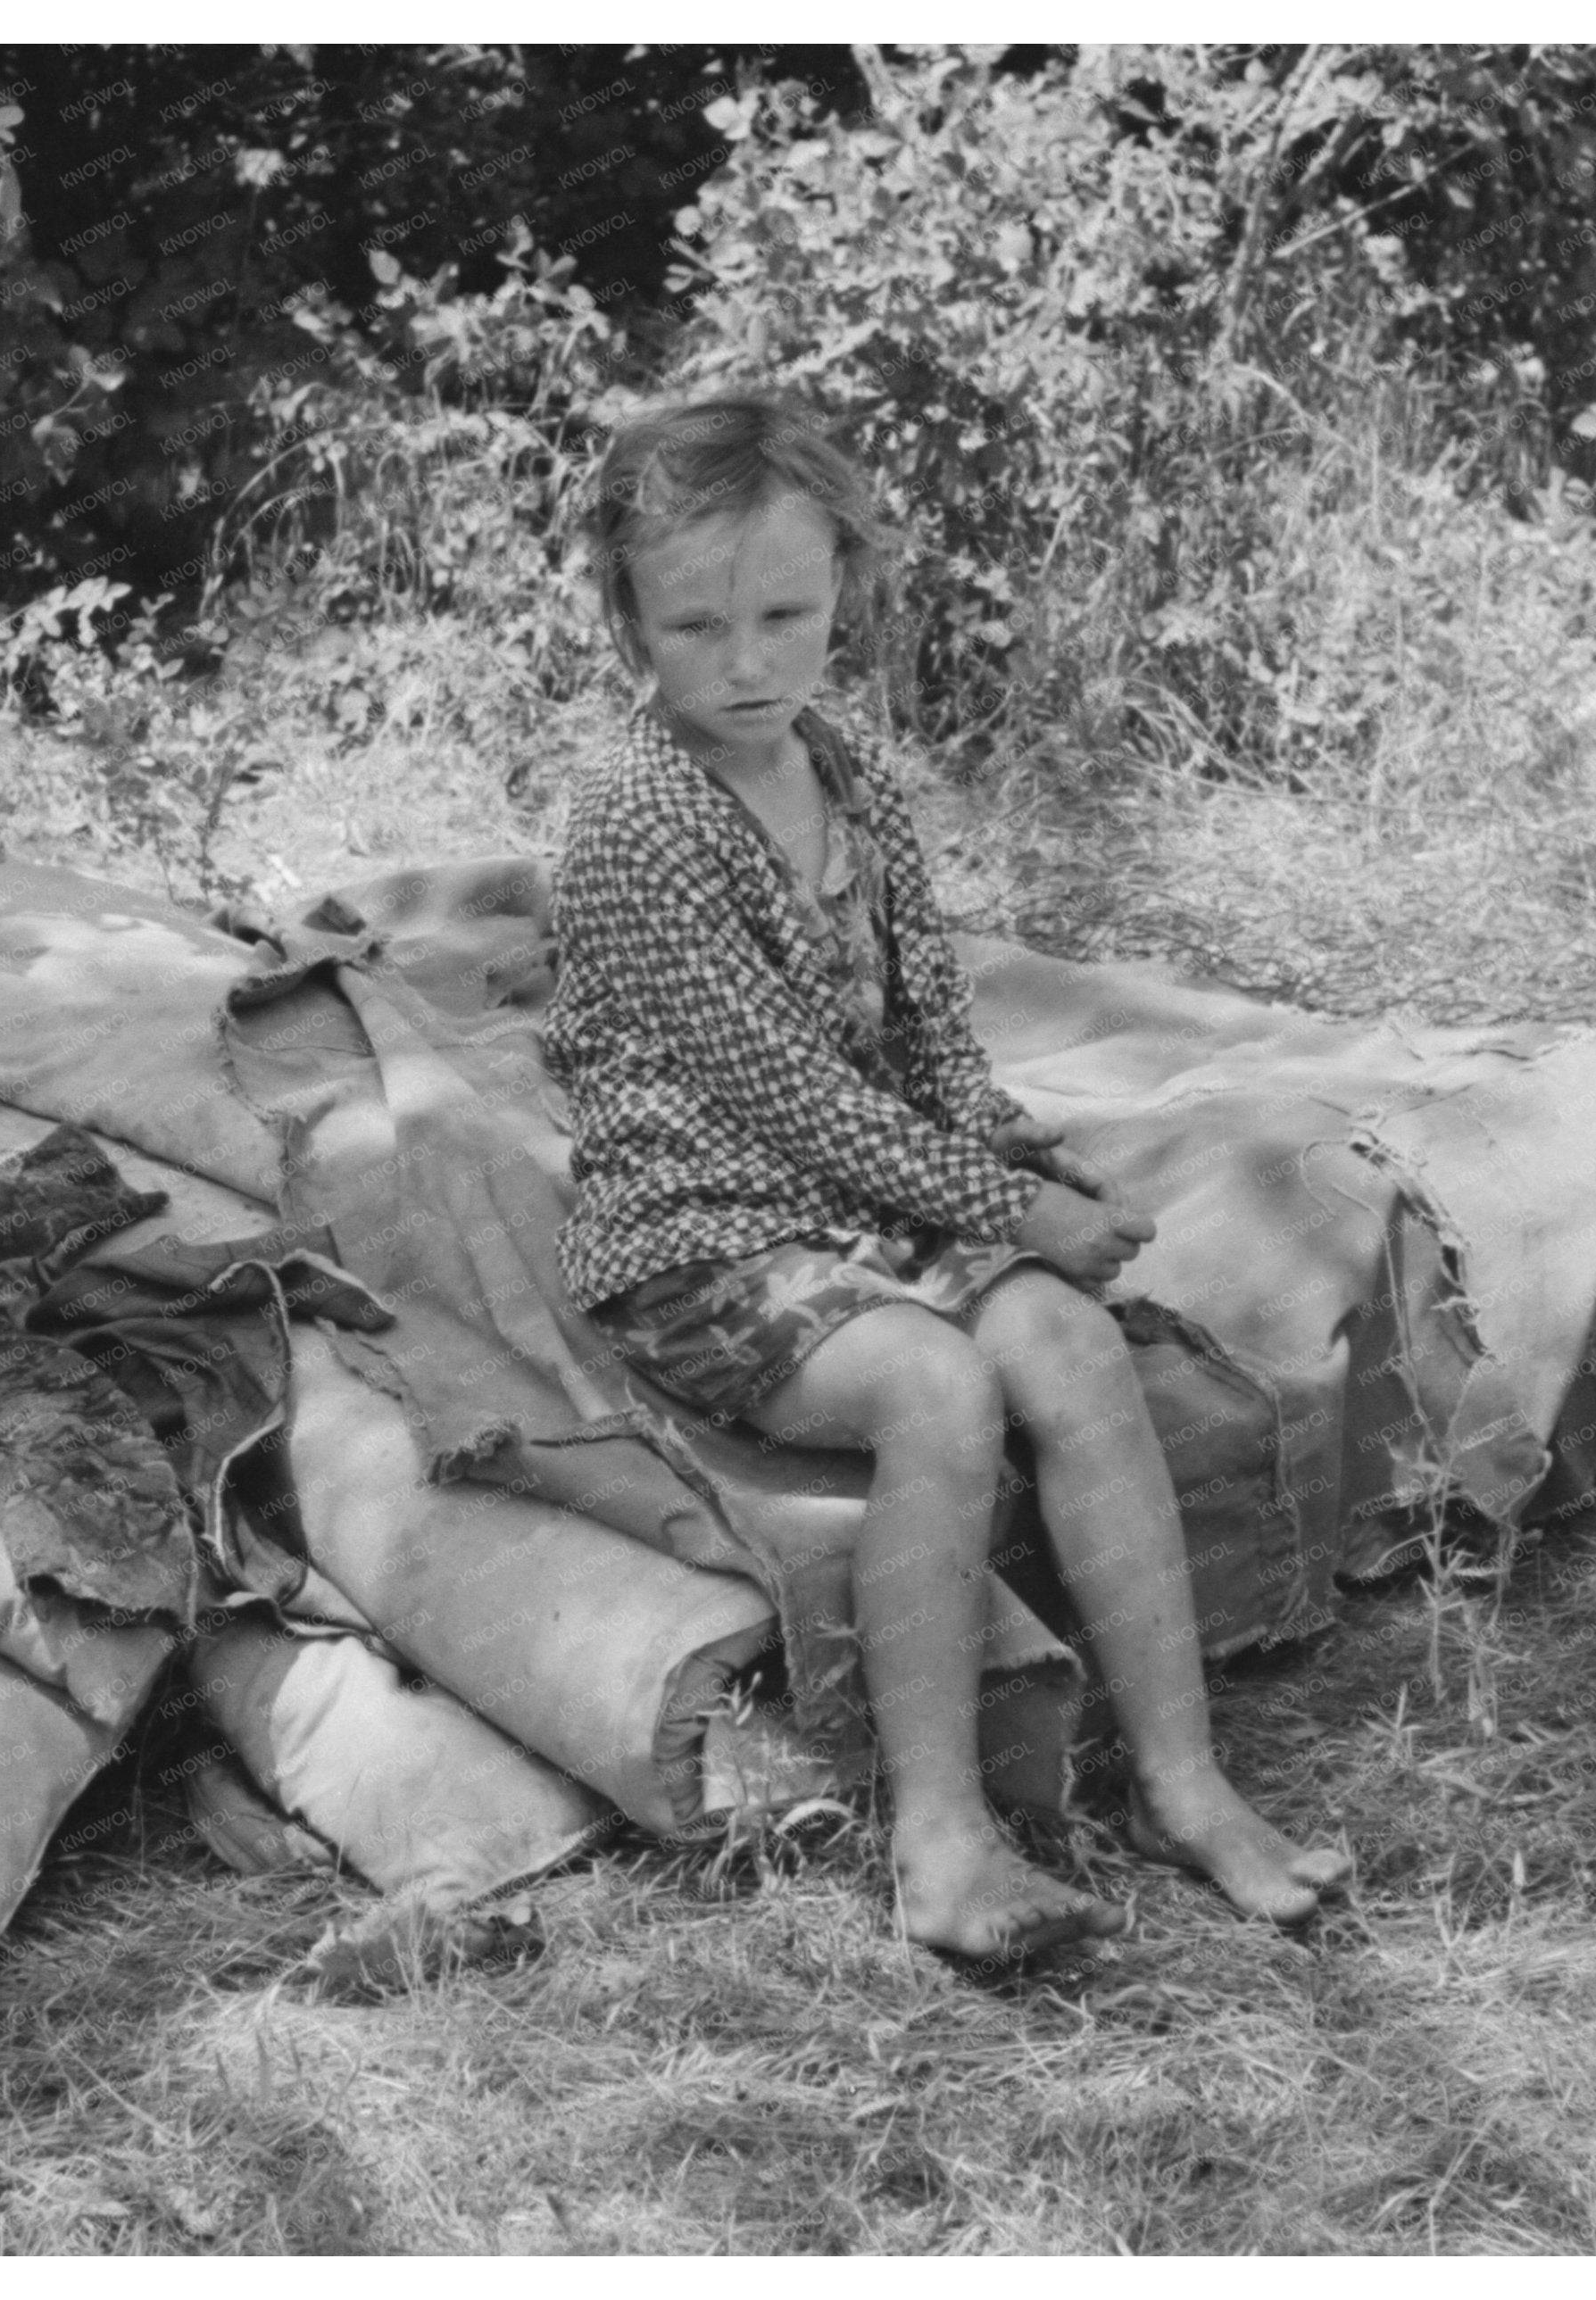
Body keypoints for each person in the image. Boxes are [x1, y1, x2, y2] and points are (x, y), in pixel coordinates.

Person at [542, 396, 1354, 1959]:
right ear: (627, 615)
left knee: (1065, 1338)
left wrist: (1023, 1165)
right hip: (703, 1224)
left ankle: (1182, 1782)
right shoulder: (631, 817)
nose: (746, 659)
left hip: (866, 1197)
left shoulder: (847, 775)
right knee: (931, 1387)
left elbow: (929, 1042)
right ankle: (939, 1836)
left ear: (844, 584)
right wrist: (1003, 1210)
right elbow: (777, 1096)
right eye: (694, 623)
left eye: (785, 613)